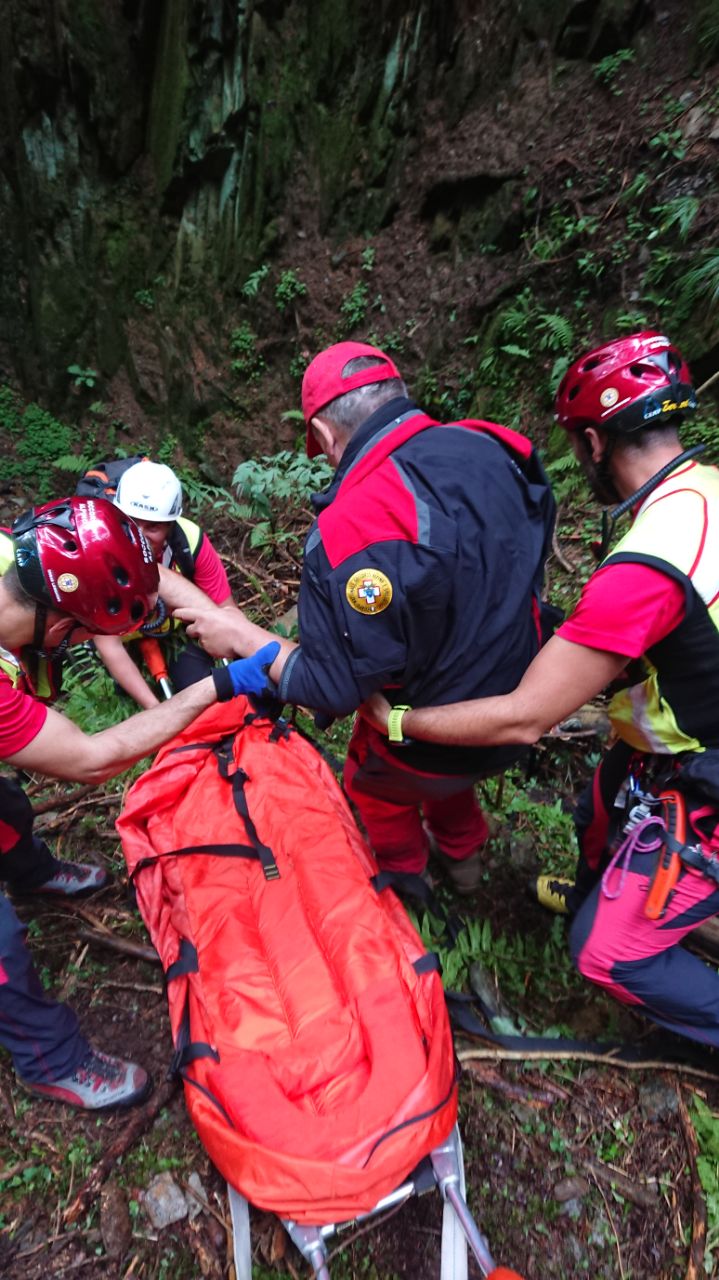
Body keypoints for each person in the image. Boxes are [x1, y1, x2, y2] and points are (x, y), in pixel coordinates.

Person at [359, 330, 719, 1051]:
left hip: (702, 765)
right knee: (600, 801)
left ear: (591, 442)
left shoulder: (645, 564)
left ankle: (637, 947)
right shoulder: (701, 492)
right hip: (667, 730)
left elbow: (525, 718)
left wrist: (399, 719)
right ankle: (598, 893)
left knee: (605, 951)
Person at [176, 340, 555, 894]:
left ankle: (405, 881)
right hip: (525, 694)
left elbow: (330, 688)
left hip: (437, 733)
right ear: (399, 395)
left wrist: (238, 632)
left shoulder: (349, 528)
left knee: (373, 778)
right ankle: (466, 862)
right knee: (441, 769)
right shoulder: (496, 445)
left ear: (327, 436)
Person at [0, 495, 277, 1108]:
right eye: (81, 635)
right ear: (56, 624)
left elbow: (158, 578)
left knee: (8, 808)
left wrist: (227, 627)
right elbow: (92, 758)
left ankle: (35, 872)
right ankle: (50, 1060)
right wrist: (217, 686)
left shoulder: (15, 560)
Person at [93, 460, 234, 708]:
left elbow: (225, 610)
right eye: (132, 522)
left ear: (170, 525)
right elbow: (108, 643)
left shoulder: (190, 541)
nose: (140, 535)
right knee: (130, 706)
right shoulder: (98, 549)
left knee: (201, 690)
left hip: (174, 629)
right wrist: (156, 711)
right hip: (118, 638)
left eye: (153, 527)